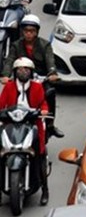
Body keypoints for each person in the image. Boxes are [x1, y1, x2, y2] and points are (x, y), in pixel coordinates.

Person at [2, 16, 62, 142]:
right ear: (22, 31)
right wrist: (6, 75)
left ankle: (50, 125)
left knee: (50, 93)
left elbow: (50, 60)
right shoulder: (16, 45)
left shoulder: (45, 45)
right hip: (21, 77)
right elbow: (9, 61)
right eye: (26, 31)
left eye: (32, 31)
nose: (29, 34)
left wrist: (52, 73)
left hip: (40, 78)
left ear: (37, 32)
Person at [0, 58, 50, 205]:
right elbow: (2, 104)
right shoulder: (9, 87)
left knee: (39, 153)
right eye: (20, 69)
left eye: (26, 69)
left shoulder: (37, 87)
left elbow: (43, 103)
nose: (23, 72)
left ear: (31, 72)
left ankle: (45, 189)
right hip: (11, 124)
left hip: (32, 124)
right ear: (15, 72)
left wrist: (44, 111)